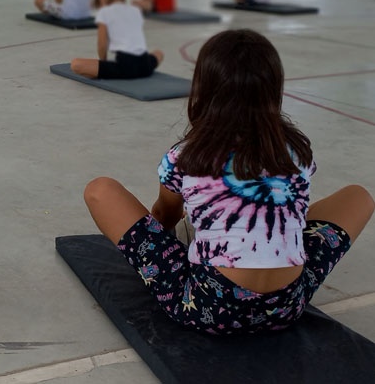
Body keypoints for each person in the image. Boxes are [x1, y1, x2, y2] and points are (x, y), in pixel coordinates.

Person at [83, 29, 373, 335]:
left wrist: (165, 245)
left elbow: (165, 217)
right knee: (359, 197)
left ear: (203, 91)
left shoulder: (186, 157)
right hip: (288, 305)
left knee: (100, 191)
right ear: (274, 91)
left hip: (207, 309)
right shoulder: (296, 152)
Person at [70, 0, 163, 79]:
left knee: (75, 64)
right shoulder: (136, 10)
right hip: (146, 67)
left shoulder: (104, 12)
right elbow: (147, 6)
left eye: (100, 5)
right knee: (159, 53)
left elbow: (102, 44)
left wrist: (104, 64)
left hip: (126, 69)